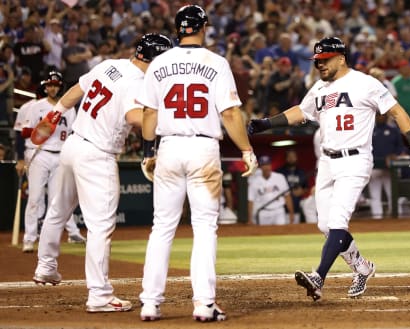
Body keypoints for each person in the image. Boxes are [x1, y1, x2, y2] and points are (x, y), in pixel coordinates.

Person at [248, 37, 410, 301]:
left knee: (337, 221)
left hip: (355, 161)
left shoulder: (365, 83)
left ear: (341, 58)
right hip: (327, 162)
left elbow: (397, 112)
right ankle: (362, 268)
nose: (319, 65)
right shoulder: (320, 88)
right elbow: (301, 111)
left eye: (324, 60)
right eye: (317, 61)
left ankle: (319, 277)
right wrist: (266, 123)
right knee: (325, 224)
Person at [32, 33, 172, 313]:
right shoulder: (138, 82)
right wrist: (162, 117)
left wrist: (55, 113)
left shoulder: (110, 64)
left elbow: (74, 91)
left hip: (73, 145)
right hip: (97, 155)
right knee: (100, 227)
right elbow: (135, 117)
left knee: (58, 210)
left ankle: (46, 267)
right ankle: (99, 295)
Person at [137, 5, 257, 323]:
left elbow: (149, 114)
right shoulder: (215, 62)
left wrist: (149, 151)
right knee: (204, 227)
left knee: (161, 227)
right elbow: (230, 113)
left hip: (169, 146)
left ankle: (150, 302)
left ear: (178, 29)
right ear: (203, 26)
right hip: (203, 147)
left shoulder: (159, 62)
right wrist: (246, 149)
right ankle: (203, 304)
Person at [13, 71, 86, 253]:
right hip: (41, 154)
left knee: (56, 200)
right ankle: (29, 238)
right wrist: (41, 130)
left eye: (55, 85)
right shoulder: (37, 106)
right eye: (49, 85)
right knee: (35, 198)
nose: (52, 88)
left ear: (60, 87)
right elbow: (24, 132)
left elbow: (73, 133)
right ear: (45, 87)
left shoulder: (68, 108)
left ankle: (49, 240)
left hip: (60, 154)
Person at [368, 114, 405, 219]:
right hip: (374, 167)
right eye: (378, 115)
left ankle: (396, 217)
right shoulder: (370, 130)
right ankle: (377, 219)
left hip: (391, 168)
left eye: (382, 115)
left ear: (387, 116)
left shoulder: (394, 130)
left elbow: (401, 148)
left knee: (392, 194)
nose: (380, 117)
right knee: (375, 196)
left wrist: (395, 155)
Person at [248, 155, 294, 225]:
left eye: (268, 164)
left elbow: (287, 196)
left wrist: (291, 213)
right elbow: (251, 201)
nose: (266, 167)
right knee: (263, 234)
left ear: (271, 165)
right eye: (264, 165)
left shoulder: (280, 177)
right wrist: (250, 218)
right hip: (262, 212)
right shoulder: (254, 182)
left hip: (278, 211)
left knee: (281, 233)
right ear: (260, 167)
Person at [276, 149, 308, 223]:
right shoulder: (280, 172)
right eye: (289, 157)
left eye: (293, 157)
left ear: (296, 158)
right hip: (281, 209)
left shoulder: (301, 172)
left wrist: (301, 191)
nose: (291, 159)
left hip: (297, 207)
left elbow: (306, 188)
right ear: (286, 158)